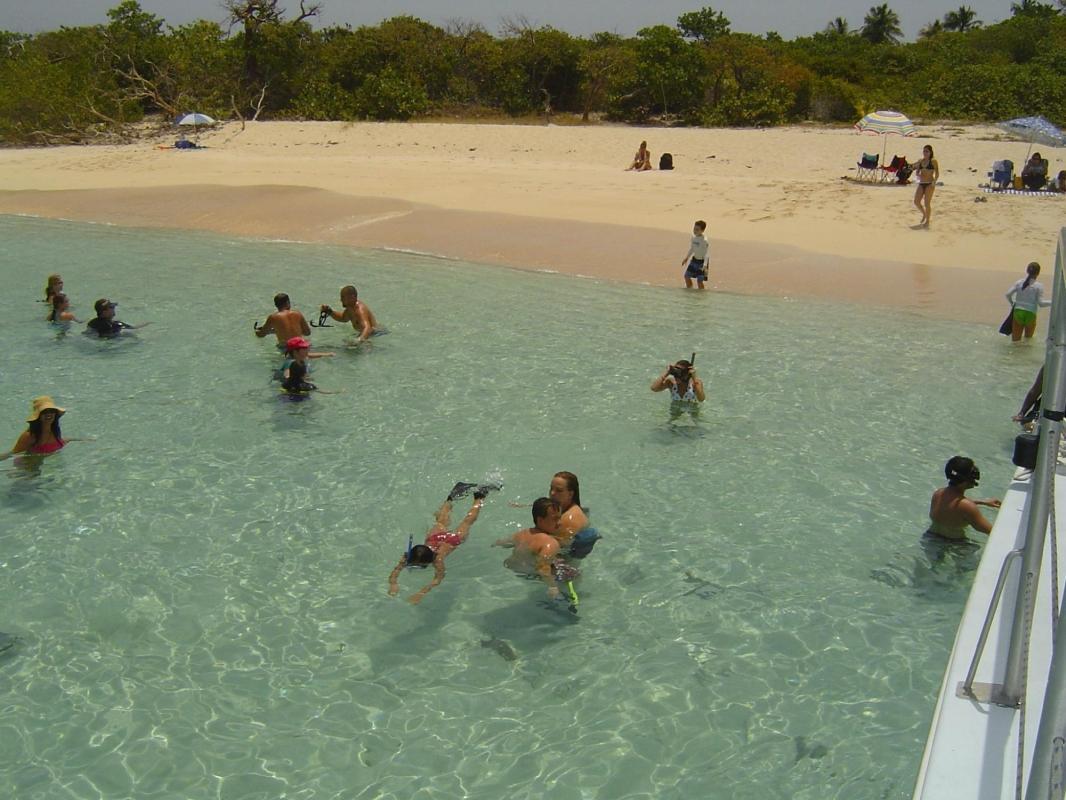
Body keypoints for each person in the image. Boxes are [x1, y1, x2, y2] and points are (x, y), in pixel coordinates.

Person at [388, 482, 499, 604]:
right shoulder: (409, 556)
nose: (417, 565)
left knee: (466, 521)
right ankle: (453, 497)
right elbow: (397, 570)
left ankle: (480, 495)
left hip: (453, 540)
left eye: (420, 565)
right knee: (442, 520)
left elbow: (438, 578)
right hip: (435, 538)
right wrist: (393, 585)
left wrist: (421, 593)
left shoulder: (438, 559)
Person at [495, 497, 573, 601]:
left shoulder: (522, 534)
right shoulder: (550, 543)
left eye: (560, 518)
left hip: (512, 567)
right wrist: (553, 587)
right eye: (555, 519)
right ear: (540, 520)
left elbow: (501, 543)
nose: (559, 523)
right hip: (532, 574)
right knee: (573, 573)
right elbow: (542, 568)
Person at [927, 456, 1001, 540]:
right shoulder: (968, 507)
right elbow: (992, 532)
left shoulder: (938, 493)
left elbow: (954, 506)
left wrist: (983, 502)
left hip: (930, 537)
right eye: (973, 473)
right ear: (965, 480)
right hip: (955, 545)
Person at [1, 397, 69, 459]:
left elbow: (62, 441)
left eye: (52, 411)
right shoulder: (30, 435)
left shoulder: (55, 431)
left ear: (55, 413)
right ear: (38, 415)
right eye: (44, 411)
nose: (49, 414)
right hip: (28, 465)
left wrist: (77, 440)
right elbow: (13, 453)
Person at [1005, 261, 1050, 342]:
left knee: (1015, 342)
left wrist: (1012, 303)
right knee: (1028, 342)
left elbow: (1008, 294)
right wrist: (1053, 302)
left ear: (1027, 271)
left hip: (1018, 312)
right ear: (1038, 273)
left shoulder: (1019, 283)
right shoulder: (1039, 286)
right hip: (1031, 314)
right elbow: (1041, 304)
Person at [912, 145, 939, 227]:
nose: (925, 153)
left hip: (930, 184)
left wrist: (934, 181)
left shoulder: (933, 161)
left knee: (927, 203)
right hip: (921, 183)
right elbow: (917, 172)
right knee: (916, 201)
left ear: (930, 152)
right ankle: (924, 213)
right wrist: (918, 174)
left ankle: (927, 221)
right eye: (924, 151)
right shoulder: (921, 161)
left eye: (927, 151)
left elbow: (937, 173)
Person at [680, 220, 710, 290]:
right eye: (694, 229)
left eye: (697, 229)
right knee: (686, 276)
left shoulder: (704, 240)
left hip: (702, 262)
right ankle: (690, 290)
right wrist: (686, 258)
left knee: (699, 281)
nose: (695, 231)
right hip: (694, 260)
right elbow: (692, 249)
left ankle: (701, 294)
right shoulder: (693, 238)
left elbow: (706, 253)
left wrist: (705, 265)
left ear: (702, 230)